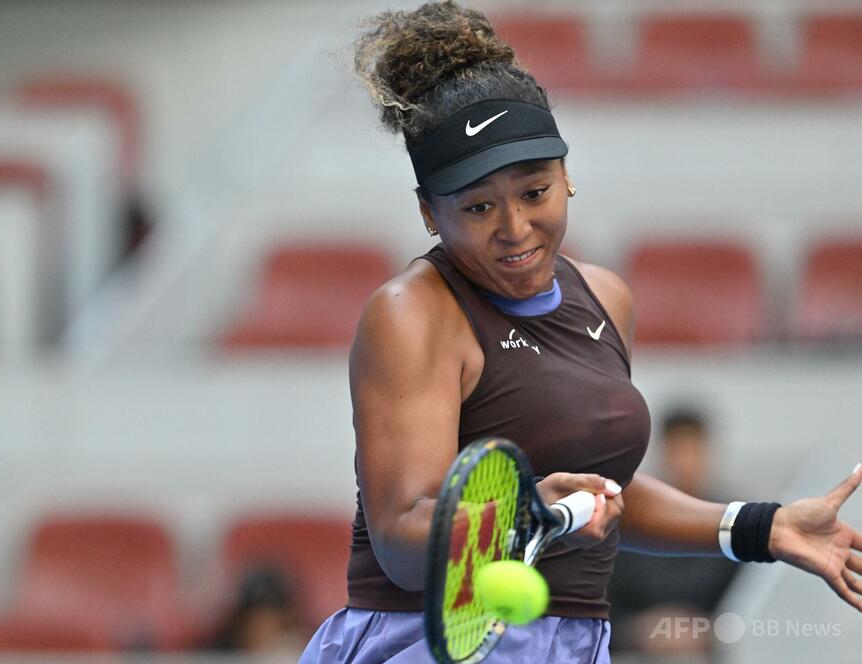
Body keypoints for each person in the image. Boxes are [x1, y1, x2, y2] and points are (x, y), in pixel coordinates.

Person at [300, 2, 862, 662]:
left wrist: (760, 527)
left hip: (570, 642)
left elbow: (606, 492)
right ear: (429, 212)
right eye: (478, 207)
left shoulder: (605, 297)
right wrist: (522, 514)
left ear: (567, 176)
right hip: (429, 641)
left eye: (534, 192)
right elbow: (400, 540)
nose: (514, 228)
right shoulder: (411, 313)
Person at [607, 408, 739, 656]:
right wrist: (637, 630)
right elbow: (605, 604)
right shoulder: (629, 521)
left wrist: (710, 632)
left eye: (694, 451)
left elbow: (749, 604)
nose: (686, 462)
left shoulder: (735, 524)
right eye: (679, 451)